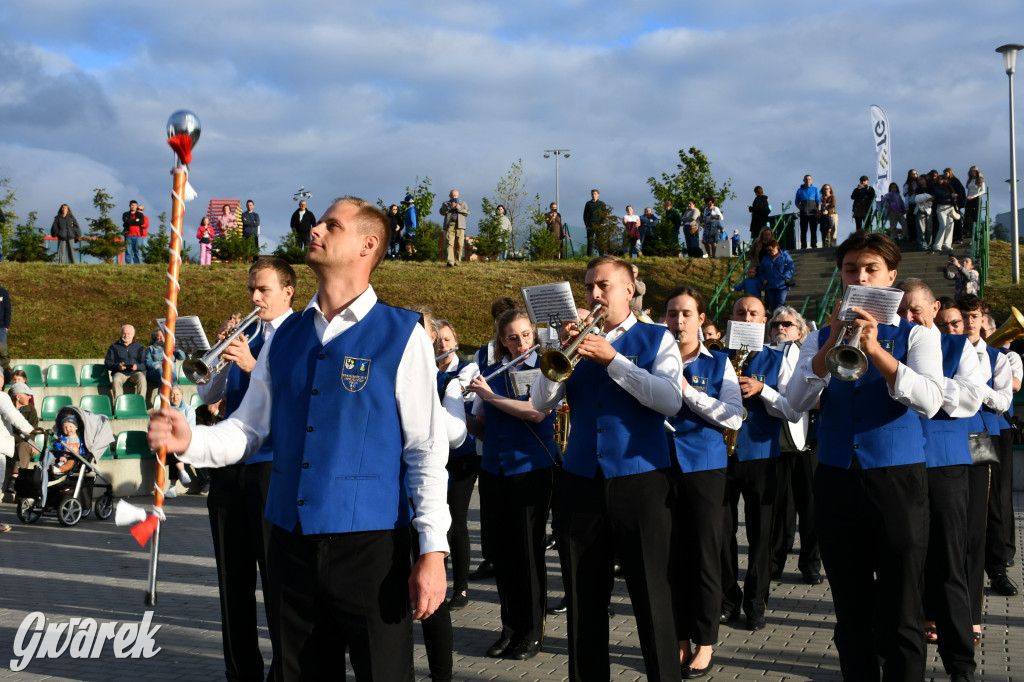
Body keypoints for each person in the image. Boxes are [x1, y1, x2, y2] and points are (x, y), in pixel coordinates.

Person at [148, 198, 450, 680]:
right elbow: (249, 428)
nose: (317, 228)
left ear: (368, 244)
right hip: (289, 540)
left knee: (384, 672)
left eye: (334, 224)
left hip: (371, 546)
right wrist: (191, 442)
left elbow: (426, 449)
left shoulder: (403, 333)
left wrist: (433, 550)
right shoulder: (285, 337)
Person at [788, 231, 943, 681]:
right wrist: (829, 346)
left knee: (902, 610)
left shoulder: (918, 335)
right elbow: (794, 402)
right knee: (850, 612)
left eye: (871, 268)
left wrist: (874, 350)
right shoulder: (819, 335)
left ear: (890, 277)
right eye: (852, 268)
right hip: (836, 479)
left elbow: (931, 400)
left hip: (897, 480)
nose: (860, 276)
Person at [530, 255, 683, 680]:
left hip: (641, 481)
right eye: (588, 288)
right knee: (582, 600)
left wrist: (613, 360)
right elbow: (540, 404)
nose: (594, 295)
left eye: (603, 286)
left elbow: (670, 400)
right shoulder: (574, 342)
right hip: (580, 483)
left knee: (652, 597)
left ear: (629, 290)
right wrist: (557, 351)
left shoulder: (657, 339)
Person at [190, 257, 296, 680]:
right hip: (231, 469)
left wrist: (253, 364)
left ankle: (285, 671)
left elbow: (300, 395)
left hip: (272, 467)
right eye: (251, 289)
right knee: (232, 581)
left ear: (288, 291)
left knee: (277, 581)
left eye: (263, 290)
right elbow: (210, 397)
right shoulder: (247, 333)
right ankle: (241, 672)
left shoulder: (300, 334)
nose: (254, 298)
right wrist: (219, 359)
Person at [897, 279, 979, 682]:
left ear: (933, 310)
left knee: (948, 565)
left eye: (916, 310)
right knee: (901, 569)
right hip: (896, 465)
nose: (909, 318)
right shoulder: (889, 344)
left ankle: (960, 664)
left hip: (944, 465)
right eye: (903, 311)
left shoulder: (957, 347)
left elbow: (968, 400)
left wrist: (922, 380)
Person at [466, 309, 556, 661]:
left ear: (533, 334)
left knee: (528, 554)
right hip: (494, 469)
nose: (520, 343)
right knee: (502, 555)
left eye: (525, 335)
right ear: (502, 340)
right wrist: (455, 411)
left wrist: (488, 396)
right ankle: (509, 628)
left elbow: (536, 412)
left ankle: (532, 632)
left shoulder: (547, 368)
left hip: (532, 468)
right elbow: (483, 428)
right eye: (512, 337)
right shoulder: (492, 371)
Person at [663, 286, 743, 679]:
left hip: (705, 468)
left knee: (704, 555)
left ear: (701, 321)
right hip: (660, 465)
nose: (679, 321)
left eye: (686, 314)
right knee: (669, 555)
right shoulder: (652, 359)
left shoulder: (720, 363)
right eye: (672, 313)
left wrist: (686, 392)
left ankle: (706, 640)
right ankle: (678, 636)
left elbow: (733, 416)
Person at [720, 296, 802, 633]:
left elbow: (793, 410)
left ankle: (756, 603)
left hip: (763, 457)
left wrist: (763, 389)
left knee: (761, 535)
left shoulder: (778, 358)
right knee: (721, 533)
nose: (746, 318)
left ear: (764, 321)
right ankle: (727, 599)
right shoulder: (716, 356)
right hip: (721, 456)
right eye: (740, 312)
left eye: (754, 314)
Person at [959, 295, 1019, 601]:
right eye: (965, 316)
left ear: (983, 320)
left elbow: (1003, 400)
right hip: (949, 433)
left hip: (984, 434)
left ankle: (997, 570)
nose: (970, 322)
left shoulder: (997, 357)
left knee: (993, 504)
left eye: (975, 316)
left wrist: (972, 387)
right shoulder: (944, 351)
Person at [766, 307, 821, 585]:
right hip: (775, 441)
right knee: (779, 507)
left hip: (807, 440)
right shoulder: (764, 355)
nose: (780, 328)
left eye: (787, 324)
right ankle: (774, 562)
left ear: (800, 331)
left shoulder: (809, 356)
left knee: (811, 507)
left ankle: (810, 564)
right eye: (775, 325)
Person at [434, 319, 479, 610]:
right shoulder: (425, 368)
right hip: (434, 455)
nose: (443, 346)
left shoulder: (467, 368)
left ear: (456, 341)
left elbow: (463, 394)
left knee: (458, 521)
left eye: (447, 340)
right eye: (437, 341)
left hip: (462, 453)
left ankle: (461, 588)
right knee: (437, 521)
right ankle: (438, 578)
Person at [2, 382, 38, 495]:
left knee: (23, 446)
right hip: (8, 443)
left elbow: (32, 431)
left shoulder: (31, 410)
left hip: (21, 443)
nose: (30, 397)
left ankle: (15, 479)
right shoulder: (6, 407)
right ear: (18, 396)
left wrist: (32, 442)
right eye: (26, 394)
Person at [105, 324, 146, 403]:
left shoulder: (139, 347)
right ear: (121, 334)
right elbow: (108, 362)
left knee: (142, 379)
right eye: (124, 333)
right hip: (120, 373)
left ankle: (140, 404)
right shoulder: (114, 347)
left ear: (133, 334)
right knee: (116, 380)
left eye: (128, 333)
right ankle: (118, 405)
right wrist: (117, 366)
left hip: (135, 373)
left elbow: (144, 364)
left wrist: (137, 367)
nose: (126, 335)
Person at [144, 328, 185, 408]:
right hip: (155, 372)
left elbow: (182, 357)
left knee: (165, 375)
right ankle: (164, 403)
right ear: (155, 338)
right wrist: (156, 366)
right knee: (162, 372)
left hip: (170, 373)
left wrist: (176, 348)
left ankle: (161, 403)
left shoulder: (171, 348)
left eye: (162, 336)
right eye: (158, 337)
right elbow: (147, 362)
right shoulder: (151, 348)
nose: (160, 338)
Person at [759, 240, 795, 311]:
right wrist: (763, 279)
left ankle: (781, 320)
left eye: (770, 250)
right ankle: (774, 320)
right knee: (773, 304)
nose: (769, 252)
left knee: (780, 304)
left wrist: (785, 276)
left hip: (782, 285)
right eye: (767, 251)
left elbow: (791, 268)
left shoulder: (784, 256)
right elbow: (761, 271)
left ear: (776, 247)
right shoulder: (766, 258)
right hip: (770, 285)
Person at [440, 189, 470, 267]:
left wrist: (459, 208)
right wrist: (450, 207)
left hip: (460, 226)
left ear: (458, 196)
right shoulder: (445, 203)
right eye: (452, 195)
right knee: (449, 243)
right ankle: (450, 261)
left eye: (455, 195)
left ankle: (457, 261)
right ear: (449, 196)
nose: (454, 197)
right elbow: (441, 212)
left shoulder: (463, 203)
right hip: (450, 225)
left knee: (460, 244)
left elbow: (467, 213)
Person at [931, 175, 958, 253]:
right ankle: (937, 245)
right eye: (939, 179)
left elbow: (953, 195)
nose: (940, 180)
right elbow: (940, 194)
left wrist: (954, 198)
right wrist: (951, 195)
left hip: (950, 207)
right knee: (943, 226)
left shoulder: (949, 188)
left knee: (950, 225)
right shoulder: (936, 188)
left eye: (942, 179)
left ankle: (947, 244)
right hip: (941, 208)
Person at [794, 175, 821, 249]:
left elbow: (818, 201)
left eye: (809, 179)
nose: (808, 180)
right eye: (806, 179)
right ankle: (803, 245)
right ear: (803, 180)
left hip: (813, 213)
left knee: (813, 230)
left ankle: (814, 244)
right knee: (803, 231)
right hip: (804, 214)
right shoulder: (800, 190)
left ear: (811, 180)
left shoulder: (815, 189)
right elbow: (796, 202)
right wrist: (801, 209)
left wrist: (818, 211)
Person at [946, 169, 968, 244]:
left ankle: (959, 236)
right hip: (949, 203)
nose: (945, 174)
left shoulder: (954, 180)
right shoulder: (946, 181)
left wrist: (960, 202)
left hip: (955, 203)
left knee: (957, 219)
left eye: (946, 173)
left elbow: (961, 191)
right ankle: (954, 236)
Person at [964, 166, 986, 242]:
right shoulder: (969, 180)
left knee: (975, 216)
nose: (973, 173)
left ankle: (977, 233)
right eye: (971, 171)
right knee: (967, 216)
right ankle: (968, 232)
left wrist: (974, 196)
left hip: (976, 199)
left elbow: (983, 190)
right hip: (969, 199)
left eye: (974, 171)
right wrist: (967, 198)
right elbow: (969, 190)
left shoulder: (980, 179)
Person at [122, 200, 147, 264]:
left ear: (136, 206)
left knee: (137, 251)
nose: (133, 207)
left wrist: (130, 221)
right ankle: (128, 264)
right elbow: (126, 221)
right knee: (128, 251)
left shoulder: (140, 214)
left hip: (138, 235)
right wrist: (135, 221)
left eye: (135, 205)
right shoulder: (125, 214)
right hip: (128, 235)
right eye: (132, 205)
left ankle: (137, 264)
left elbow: (141, 222)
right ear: (129, 206)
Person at [914, 175, 934, 249]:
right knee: (921, 229)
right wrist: (926, 198)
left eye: (921, 179)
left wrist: (923, 198)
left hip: (929, 209)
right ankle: (922, 245)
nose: (920, 181)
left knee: (929, 229)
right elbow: (916, 199)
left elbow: (933, 197)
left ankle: (929, 244)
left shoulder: (930, 188)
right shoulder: (918, 189)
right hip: (920, 209)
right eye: (919, 180)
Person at [583, 189, 604, 256]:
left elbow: (604, 214)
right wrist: (586, 224)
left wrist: (602, 223)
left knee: (600, 241)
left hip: (599, 224)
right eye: (592, 194)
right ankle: (588, 256)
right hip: (590, 224)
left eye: (595, 194)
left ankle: (601, 256)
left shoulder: (601, 204)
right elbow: (585, 215)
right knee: (590, 241)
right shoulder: (588, 204)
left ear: (598, 195)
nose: (594, 195)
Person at [902, 169, 920, 244]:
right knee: (911, 222)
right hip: (911, 204)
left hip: (919, 203)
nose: (914, 175)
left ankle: (918, 237)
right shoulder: (907, 185)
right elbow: (906, 197)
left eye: (915, 173)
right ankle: (912, 238)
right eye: (912, 174)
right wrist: (906, 207)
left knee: (919, 222)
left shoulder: (919, 183)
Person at [0, 284, 11, 349]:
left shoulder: (3, 292)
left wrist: (6, 326)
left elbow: (7, 310)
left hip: (1, 328)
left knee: (3, 352)